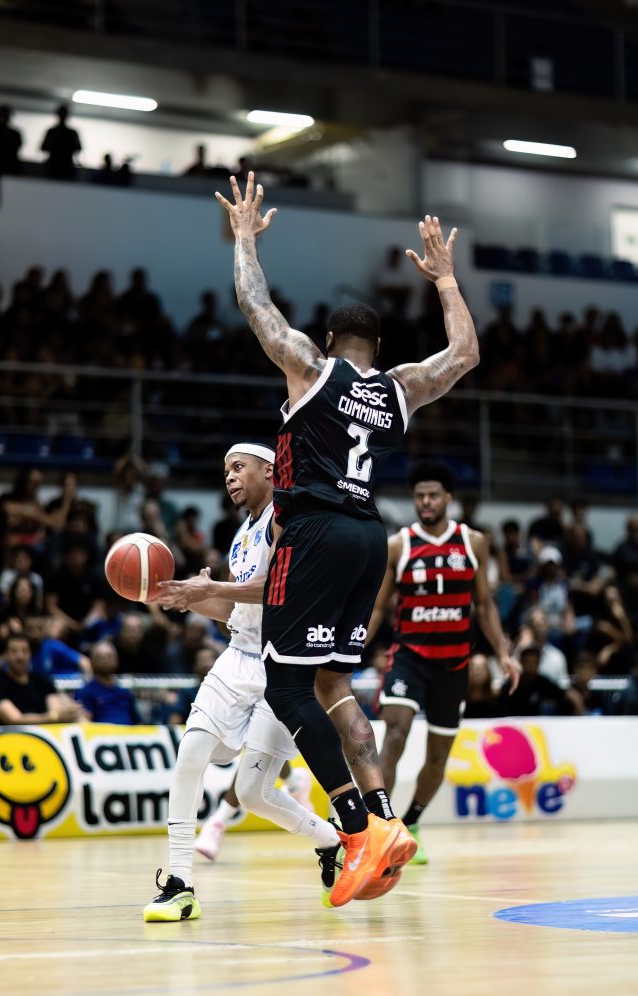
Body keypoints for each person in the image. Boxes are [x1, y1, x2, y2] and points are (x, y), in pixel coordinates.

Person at [215, 171, 480, 905]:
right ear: (379, 345)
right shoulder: (398, 388)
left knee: (285, 684)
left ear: (332, 341)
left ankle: (355, 828)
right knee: (333, 684)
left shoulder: (310, 368)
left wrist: (245, 238)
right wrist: (447, 280)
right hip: (370, 536)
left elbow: (255, 306)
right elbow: (463, 355)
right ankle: (386, 818)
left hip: (315, 532)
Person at [143, 443, 341, 921]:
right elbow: (236, 607)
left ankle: (331, 840)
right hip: (238, 657)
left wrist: (210, 587)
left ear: (270, 471)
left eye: (238, 468)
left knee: (253, 793)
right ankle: (180, 883)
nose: (230, 477)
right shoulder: (242, 533)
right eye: (225, 471)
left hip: (283, 664)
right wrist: (184, 597)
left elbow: (280, 589)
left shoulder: (287, 519)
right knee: (190, 753)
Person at [366, 461, 520, 864]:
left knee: (438, 757)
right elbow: (379, 607)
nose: (426, 502)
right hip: (408, 658)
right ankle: (378, 827)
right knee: (395, 734)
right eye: (420, 496)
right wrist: (354, 646)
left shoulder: (473, 543)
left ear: (448, 497)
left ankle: (413, 821)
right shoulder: (399, 545)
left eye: (433, 495)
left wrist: (503, 652)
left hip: (453, 665)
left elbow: (484, 604)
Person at [0, 634, 84, 725]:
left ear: (30, 654)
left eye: (24, 651)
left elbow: (56, 707)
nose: (20, 656)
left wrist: (70, 712)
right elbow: (15, 719)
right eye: (14, 651)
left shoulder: (40, 680)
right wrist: (55, 717)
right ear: (6, 655)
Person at [75, 641, 142, 725]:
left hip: (129, 732)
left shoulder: (124, 692)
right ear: (92, 662)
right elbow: (84, 721)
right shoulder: (85, 692)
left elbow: (137, 721)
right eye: (101, 657)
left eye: (109, 656)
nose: (106, 660)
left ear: (117, 660)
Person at [40, 105, 81, 180]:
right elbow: (78, 148)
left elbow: (43, 148)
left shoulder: (52, 132)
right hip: (60, 166)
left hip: (58, 166)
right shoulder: (71, 133)